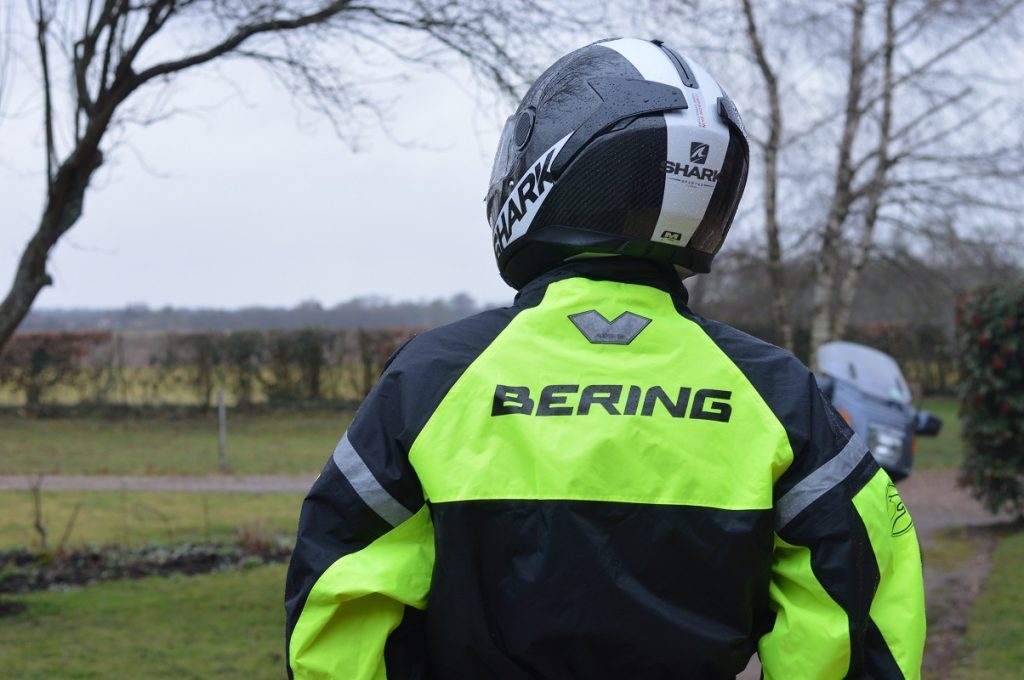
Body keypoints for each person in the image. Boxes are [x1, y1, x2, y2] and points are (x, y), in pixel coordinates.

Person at [284, 37, 926, 679]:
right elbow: (863, 592)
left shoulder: (432, 378)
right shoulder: (775, 391)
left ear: (540, 166)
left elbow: (337, 597)